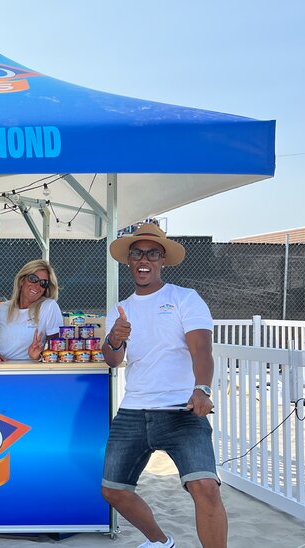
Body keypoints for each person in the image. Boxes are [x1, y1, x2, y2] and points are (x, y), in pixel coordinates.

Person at [100, 223, 227, 548]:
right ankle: (160, 541)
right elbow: (113, 360)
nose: (144, 260)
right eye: (137, 254)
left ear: (163, 261)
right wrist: (114, 338)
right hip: (134, 410)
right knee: (113, 490)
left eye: (152, 254)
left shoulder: (185, 298)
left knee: (205, 488)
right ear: (128, 261)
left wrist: (203, 389)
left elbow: (202, 350)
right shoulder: (119, 309)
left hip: (181, 410)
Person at [0, 259, 63, 362]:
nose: (37, 286)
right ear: (21, 280)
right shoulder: (0, 308)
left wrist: (38, 356)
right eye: (33, 279)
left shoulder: (49, 307)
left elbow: (58, 350)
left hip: (29, 373)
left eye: (43, 283)